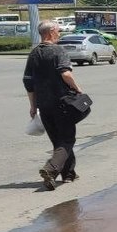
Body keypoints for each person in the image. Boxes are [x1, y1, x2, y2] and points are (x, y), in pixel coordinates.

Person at [22, 19, 85, 190]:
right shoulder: (58, 50)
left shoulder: (34, 53)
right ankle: (50, 170)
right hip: (62, 103)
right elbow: (65, 73)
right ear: (50, 32)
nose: (59, 33)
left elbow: (28, 82)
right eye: (58, 31)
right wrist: (78, 89)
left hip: (44, 105)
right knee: (67, 139)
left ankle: (69, 174)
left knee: (59, 140)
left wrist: (33, 106)